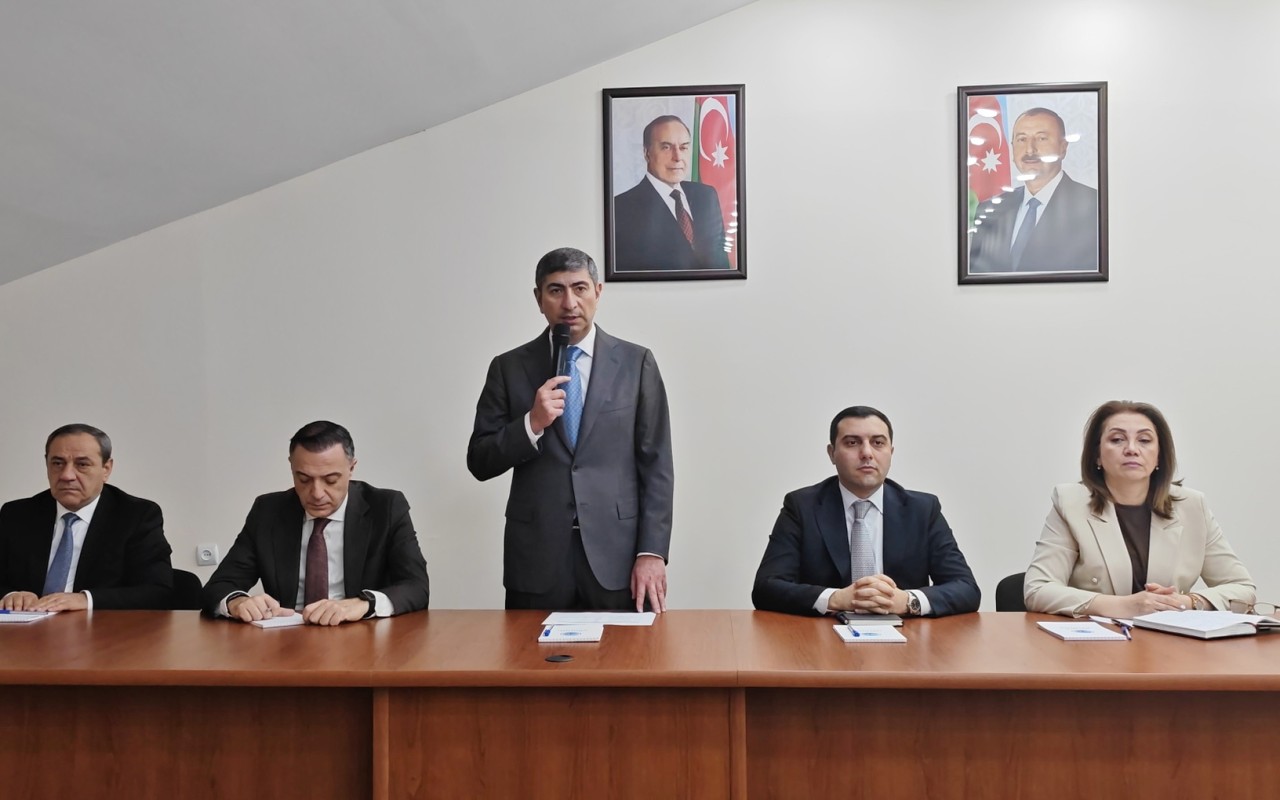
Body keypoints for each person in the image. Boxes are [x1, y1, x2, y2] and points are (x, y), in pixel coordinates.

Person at [468, 247, 674, 611]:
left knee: (624, 649)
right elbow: (480, 461)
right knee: (527, 650)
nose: (569, 303)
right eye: (555, 290)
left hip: (618, 557)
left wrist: (651, 552)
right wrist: (531, 424)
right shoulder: (508, 368)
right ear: (538, 299)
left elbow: (657, 466)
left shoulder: (636, 363)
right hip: (536, 557)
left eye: (580, 288)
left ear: (598, 291)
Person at [1024, 401, 1255, 617]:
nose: (1132, 449)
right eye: (1117, 440)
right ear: (1097, 455)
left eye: (1144, 440)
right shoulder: (1071, 503)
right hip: (1094, 641)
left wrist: (1188, 602)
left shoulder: (1192, 506)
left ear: (1159, 456)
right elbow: (1038, 589)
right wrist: (1124, 606)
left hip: (1170, 640)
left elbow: (1242, 588)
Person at [753, 406, 980, 617]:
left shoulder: (922, 510)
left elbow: (966, 588)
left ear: (891, 452)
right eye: (852, 443)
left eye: (878, 443)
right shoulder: (802, 507)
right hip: (823, 637)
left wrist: (908, 601)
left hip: (906, 637)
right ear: (832, 453)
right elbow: (766, 588)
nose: (867, 453)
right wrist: (835, 598)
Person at [202, 421, 429, 625]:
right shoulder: (268, 511)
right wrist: (237, 602)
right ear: (291, 467)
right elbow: (219, 586)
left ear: (351, 468)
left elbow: (417, 587)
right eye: (304, 479)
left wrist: (362, 604)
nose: (317, 493)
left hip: (362, 637)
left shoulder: (386, 507)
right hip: (286, 642)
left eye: (330, 480)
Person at [0, 423, 174, 611]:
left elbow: (157, 590)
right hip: (27, 626)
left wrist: (86, 600)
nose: (67, 475)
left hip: (100, 626)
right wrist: (10, 595)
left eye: (82, 464)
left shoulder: (136, 516)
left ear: (106, 469)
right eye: (57, 463)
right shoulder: (17, 514)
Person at [968, 107, 1099, 273]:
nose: (1030, 149)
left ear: (1063, 147)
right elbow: (976, 275)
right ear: (1012, 148)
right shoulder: (990, 210)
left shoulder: (1094, 206)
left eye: (1041, 138)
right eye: (1022, 139)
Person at [613, 114, 730, 271]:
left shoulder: (706, 196)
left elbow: (721, 261)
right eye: (666, 147)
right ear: (647, 153)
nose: (677, 157)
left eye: (683, 147)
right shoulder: (621, 208)